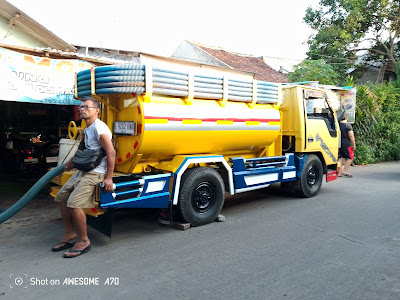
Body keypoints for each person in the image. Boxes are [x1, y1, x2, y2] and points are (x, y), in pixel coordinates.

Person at [52, 98, 115, 258]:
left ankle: (84, 240)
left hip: (96, 173)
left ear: (97, 110)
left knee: (74, 203)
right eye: (81, 107)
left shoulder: (99, 128)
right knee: (61, 197)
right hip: (84, 170)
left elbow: (111, 152)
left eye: (86, 107)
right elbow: (84, 149)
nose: (82, 109)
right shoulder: (87, 128)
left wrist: (109, 178)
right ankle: (69, 234)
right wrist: (70, 163)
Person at [338, 113, 356, 177]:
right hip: (346, 142)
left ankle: (339, 173)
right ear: (346, 118)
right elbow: (351, 135)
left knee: (339, 157)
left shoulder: (337, 125)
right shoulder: (348, 125)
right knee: (350, 156)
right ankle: (345, 171)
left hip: (337, 142)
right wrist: (353, 144)